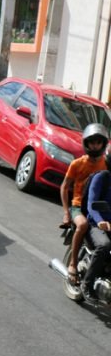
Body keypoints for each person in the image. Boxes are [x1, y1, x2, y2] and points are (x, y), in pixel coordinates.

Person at [62, 124, 108, 286]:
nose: (95, 146)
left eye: (98, 142)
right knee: (82, 225)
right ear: (86, 143)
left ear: (103, 144)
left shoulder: (106, 164)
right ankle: (73, 263)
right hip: (78, 206)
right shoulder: (77, 163)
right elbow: (65, 186)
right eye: (92, 142)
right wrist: (66, 212)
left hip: (96, 207)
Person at [79, 148, 111, 302]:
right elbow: (92, 204)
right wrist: (99, 220)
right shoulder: (101, 177)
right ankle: (86, 284)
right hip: (95, 224)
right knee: (104, 245)